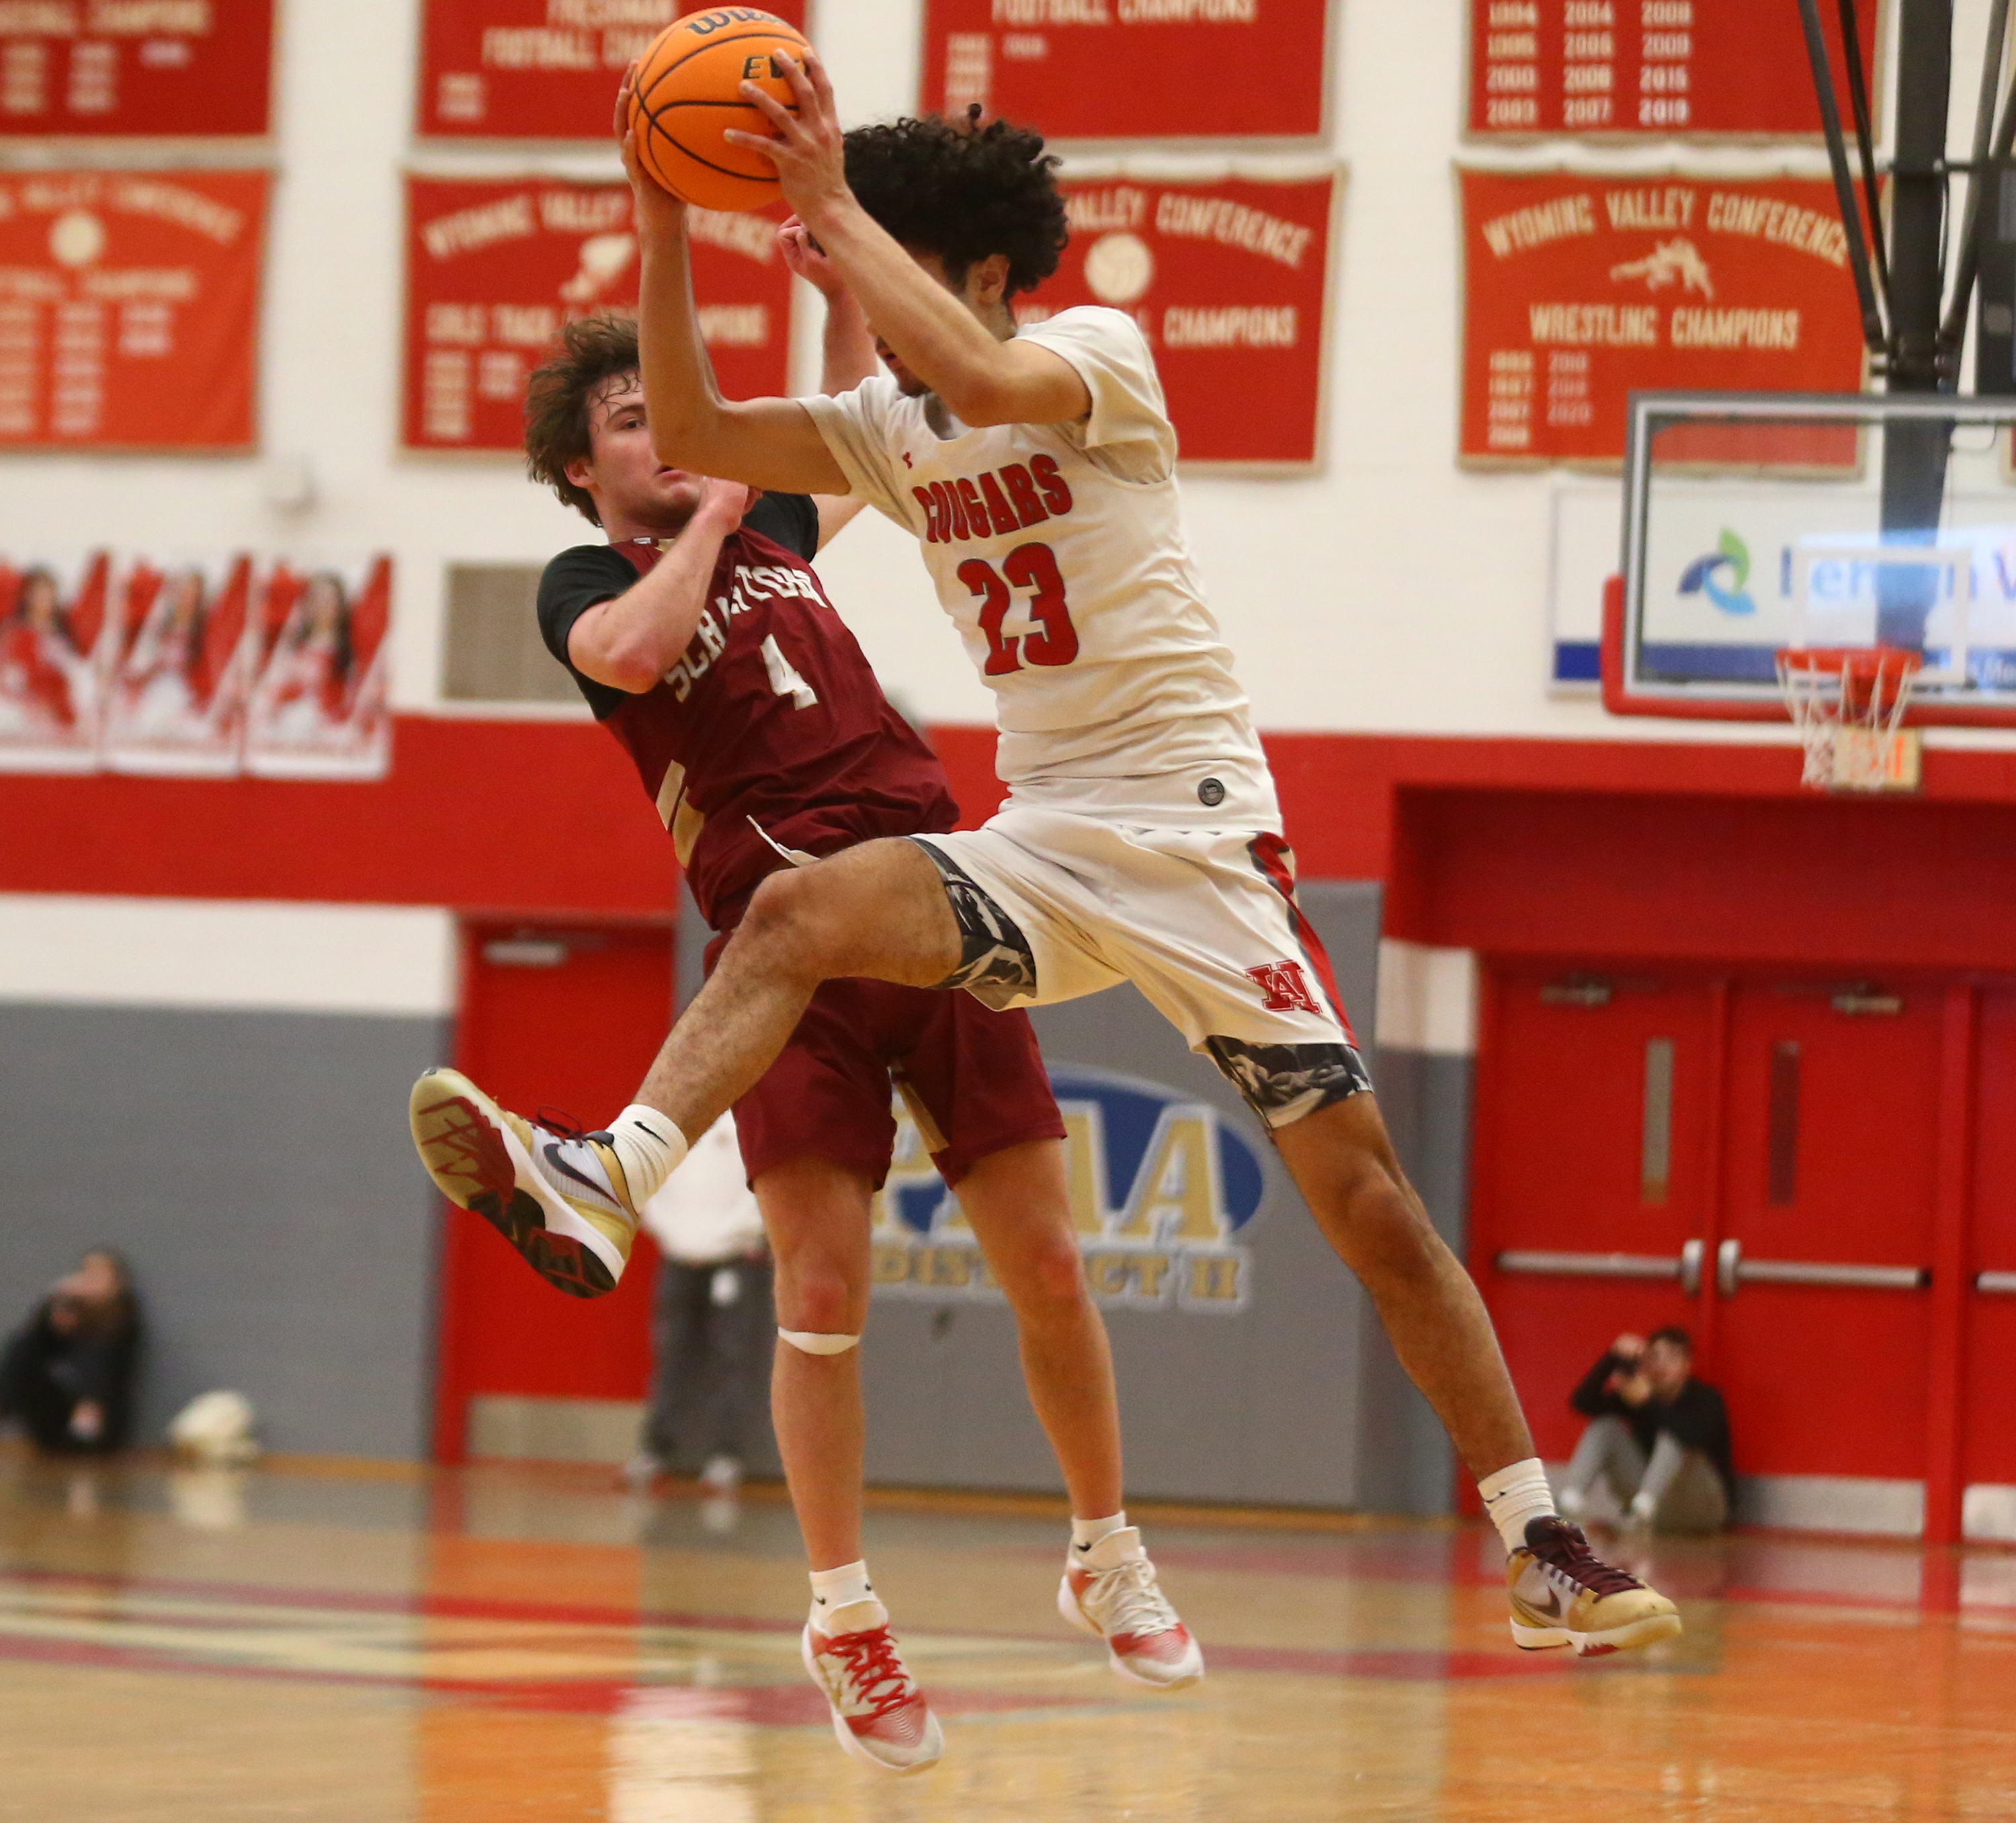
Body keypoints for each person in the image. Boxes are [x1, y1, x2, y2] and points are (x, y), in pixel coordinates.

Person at [413, 59, 1679, 1668]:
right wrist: (659, 220)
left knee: (1364, 1199)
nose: (849, 257)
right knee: (797, 906)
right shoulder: (879, 431)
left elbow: (979, 381)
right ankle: (613, 1168)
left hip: (1201, 835)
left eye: (889, 243)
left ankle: (1537, 1539)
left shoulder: (1093, 356)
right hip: (1043, 836)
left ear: (989, 273)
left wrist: (822, 210)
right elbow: (711, 422)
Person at [411, 294, 1200, 1777]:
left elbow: (852, 427)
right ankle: (844, 1618)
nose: (665, 426)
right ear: (581, 468)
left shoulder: (774, 511)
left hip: (936, 893)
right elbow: (637, 658)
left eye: (672, 401)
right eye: (629, 417)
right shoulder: (587, 572)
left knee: (1044, 1260)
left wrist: (838, 292)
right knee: (822, 1291)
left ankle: (1107, 1549)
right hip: (791, 946)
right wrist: (707, 519)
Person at [624, 1109, 773, 1500]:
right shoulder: (672, 1126)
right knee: (670, 1351)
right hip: (677, 1257)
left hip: (734, 1258)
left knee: (731, 1355)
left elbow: (764, 1192)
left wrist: (726, 1237)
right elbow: (646, 1188)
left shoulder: (750, 1125)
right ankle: (656, 1451)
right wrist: (677, 1236)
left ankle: (725, 1457)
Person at [1559, 1328, 1733, 1535]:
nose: (1663, 1365)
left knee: (1675, 1436)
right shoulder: (1639, 1396)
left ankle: (1643, 1509)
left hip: (1701, 1506)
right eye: (1656, 1357)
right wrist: (1613, 1358)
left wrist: (1649, 1403)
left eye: (1673, 1357)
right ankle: (1568, 1503)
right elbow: (1582, 1403)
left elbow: (1691, 1435)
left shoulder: (1706, 1399)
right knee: (1606, 1426)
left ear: (1687, 1364)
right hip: (1658, 1510)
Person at [0, 1249, 142, 1455]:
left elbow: (110, 1355)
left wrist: (99, 1306)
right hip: (56, 1414)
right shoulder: (68, 1309)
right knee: (23, 1346)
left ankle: (87, 1409)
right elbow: (35, 1342)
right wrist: (53, 1302)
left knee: (96, 1351)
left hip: (100, 1423)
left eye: (101, 1275)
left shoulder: (123, 1316)